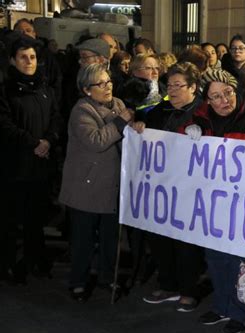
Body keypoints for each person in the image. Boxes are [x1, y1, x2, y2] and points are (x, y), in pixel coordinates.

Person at [189, 68, 245, 333]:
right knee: (215, 258)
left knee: (237, 261)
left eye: (228, 93)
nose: (224, 100)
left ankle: (241, 312)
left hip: (243, 203)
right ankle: (221, 306)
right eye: (216, 96)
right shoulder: (198, 119)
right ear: (207, 101)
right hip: (211, 202)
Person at [59, 63, 143, 302]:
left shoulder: (117, 104)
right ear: (87, 89)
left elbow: (125, 135)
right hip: (86, 185)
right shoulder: (82, 111)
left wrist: (135, 127)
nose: (107, 87)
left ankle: (108, 277)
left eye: (109, 82)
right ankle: (78, 281)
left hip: (112, 184)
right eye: (100, 84)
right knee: (84, 239)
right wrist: (121, 122)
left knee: (110, 237)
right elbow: (96, 140)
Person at [141, 62, 204, 311]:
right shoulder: (159, 111)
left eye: (179, 85)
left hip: (190, 190)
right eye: (170, 85)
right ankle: (167, 284)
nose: (173, 90)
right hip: (162, 188)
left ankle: (189, 289)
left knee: (186, 242)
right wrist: (139, 128)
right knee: (160, 238)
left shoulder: (203, 112)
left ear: (193, 88)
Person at [0, 34, 62, 283]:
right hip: (14, 167)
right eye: (23, 57)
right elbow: (4, 125)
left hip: (40, 166)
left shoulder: (44, 88)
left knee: (36, 219)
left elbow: (56, 117)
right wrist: (33, 143)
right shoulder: (5, 90)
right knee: (10, 220)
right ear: (13, 61)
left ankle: (36, 261)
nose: (29, 62)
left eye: (33, 57)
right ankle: (8, 264)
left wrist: (48, 140)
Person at [119, 54, 163, 120]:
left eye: (157, 68)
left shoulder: (165, 88)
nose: (155, 72)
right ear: (135, 71)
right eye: (148, 68)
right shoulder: (129, 92)